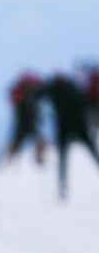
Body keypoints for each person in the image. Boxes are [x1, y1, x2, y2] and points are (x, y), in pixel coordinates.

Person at [40, 71, 99, 199]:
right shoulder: (69, 87)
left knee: (65, 157)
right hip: (76, 126)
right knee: (90, 153)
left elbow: (40, 94)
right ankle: (62, 186)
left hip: (68, 127)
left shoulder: (55, 88)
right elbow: (85, 102)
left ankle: (62, 186)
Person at [2, 71, 47, 166]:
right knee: (19, 140)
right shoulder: (20, 92)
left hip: (31, 120)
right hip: (23, 121)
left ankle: (39, 157)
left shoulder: (33, 92)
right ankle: (8, 159)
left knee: (37, 138)